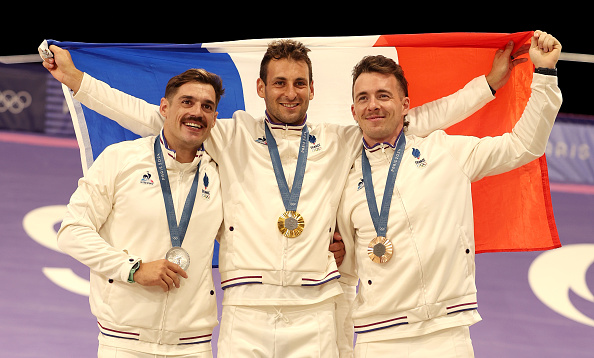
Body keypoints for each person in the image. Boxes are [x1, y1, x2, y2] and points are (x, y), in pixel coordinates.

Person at [45, 39, 519, 357]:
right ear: (261, 89)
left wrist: (489, 85)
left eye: (298, 83)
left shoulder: (341, 140)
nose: (289, 93)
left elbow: (413, 120)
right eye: (279, 83)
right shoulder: (228, 136)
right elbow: (152, 118)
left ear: (313, 88)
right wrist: (77, 80)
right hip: (245, 315)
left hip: (316, 315)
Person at [336, 30, 562, 357]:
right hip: (376, 339)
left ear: (405, 105)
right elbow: (344, 278)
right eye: (363, 98)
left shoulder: (446, 152)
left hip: (446, 333)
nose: (373, 105)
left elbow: (523, 146)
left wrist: (544, 75)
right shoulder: (344, 178)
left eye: (383, 95)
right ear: (353, 111)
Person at [56, 69, 225, 357]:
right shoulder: (120, 159)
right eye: (187, 102)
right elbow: (72, 232)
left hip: (194, 344)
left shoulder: (224, 174)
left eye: (207, 106)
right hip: (123, 340)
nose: (197, 112)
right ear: (164, 108)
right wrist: (132, 269)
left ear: (214, 118)